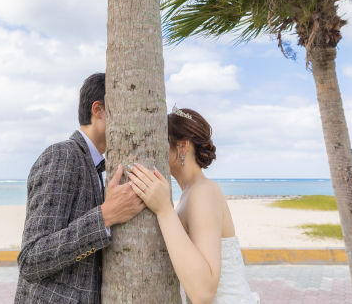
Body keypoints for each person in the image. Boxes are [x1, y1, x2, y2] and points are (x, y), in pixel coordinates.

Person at [15, 73, 145, 303]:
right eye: (125, 110)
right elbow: (31, 259)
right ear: (98, 110)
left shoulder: (96, 167)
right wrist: (105, 216)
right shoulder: (63, 155)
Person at [127, 107, 259, 304]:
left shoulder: (202, 192)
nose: (154, 148)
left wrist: (164, 210)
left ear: (182, 146)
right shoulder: (191, 193)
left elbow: (204, 293)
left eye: (162, 141)